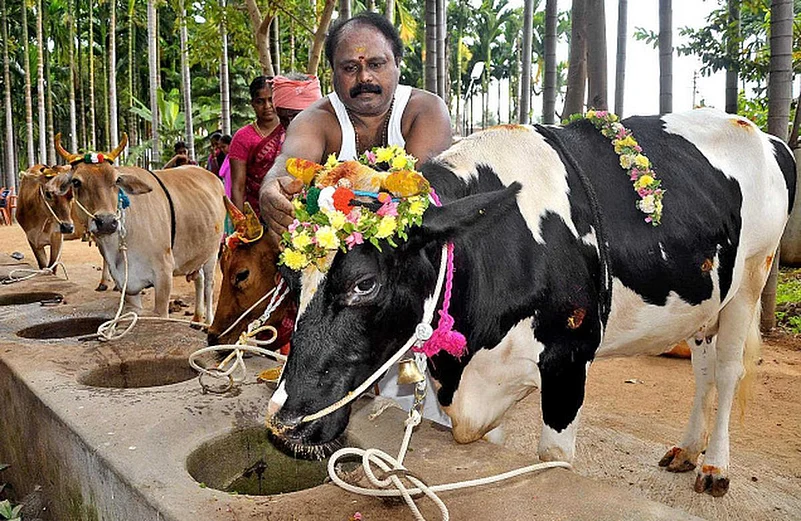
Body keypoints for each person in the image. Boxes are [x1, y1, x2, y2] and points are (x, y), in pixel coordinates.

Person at [259, 12, 452, 246]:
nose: (364, 78)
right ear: (332, 72)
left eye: (376, 64)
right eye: (350, 68)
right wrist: (272, 187)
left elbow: (417, 194)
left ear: (397, 64)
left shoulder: (425, 110)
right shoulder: (315, 120)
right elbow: (289, 163)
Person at [228, 76, 284, 214]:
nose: (267, 106)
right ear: (252, 103)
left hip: (290, 209)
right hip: (255, 213)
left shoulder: (292, 129)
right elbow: (238, 187)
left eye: (271, 99)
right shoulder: (242, 138)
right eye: (260, 101)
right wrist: (241, 225)